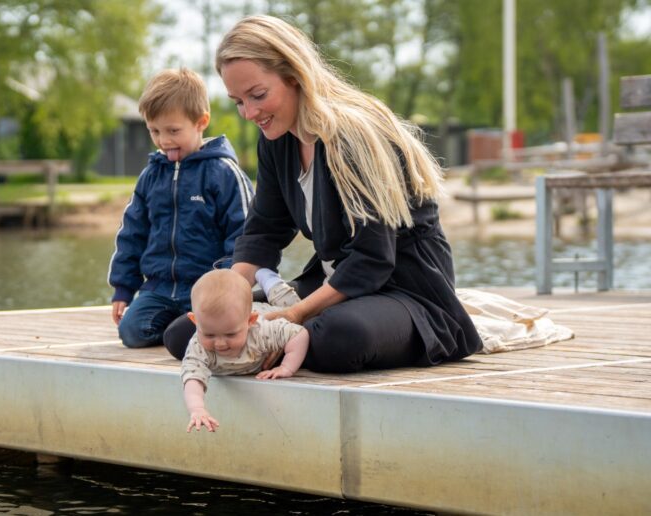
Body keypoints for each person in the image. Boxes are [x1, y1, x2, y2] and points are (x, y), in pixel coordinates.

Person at [164, 15, 483, 372]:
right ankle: (285, 344)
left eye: (258, 95)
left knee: (336, 336)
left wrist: (296, 314)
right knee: (187, 332)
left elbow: (373, 259)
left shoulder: (355, 136)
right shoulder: (276, 139)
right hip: (336, 287)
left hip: (404, 291)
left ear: (295, 76)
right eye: (238, 101)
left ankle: (287, 344)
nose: (250, 113)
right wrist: (229, 298)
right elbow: (265, 229)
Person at [109, 68, 254, 349]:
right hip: (159, 289)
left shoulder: (223, 173)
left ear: (201, 122)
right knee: (131, 333)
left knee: (207, 327)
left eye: (173, 131)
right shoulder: (151, 176)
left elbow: (243, 234)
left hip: (206, 289)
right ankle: (184, 330)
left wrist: (228, 283)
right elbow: (132, 233)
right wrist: (123, 288)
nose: (164, 140)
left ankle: (197, 329)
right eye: (154, 131)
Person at [182, 269, 308, 432]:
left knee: (291, 304)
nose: (220, 343)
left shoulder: (262, 331)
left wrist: (287, 367)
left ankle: (272, 282)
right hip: (244, 314)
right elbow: (192, 378)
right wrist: (197, 409)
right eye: (210, 334)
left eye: (230, 334)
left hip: (266, 312)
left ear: (250, 321)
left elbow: (299, 334)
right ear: (194, 321)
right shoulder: (198, 346)